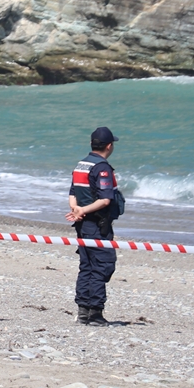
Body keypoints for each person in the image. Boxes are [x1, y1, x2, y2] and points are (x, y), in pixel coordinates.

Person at [65, 126, 125, 326]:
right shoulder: (102, 167)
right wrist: (81, 211)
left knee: (87, 267)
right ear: (109, 146)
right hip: (97, 225)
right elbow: (105, 200)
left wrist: (75, 209)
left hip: (82, 225)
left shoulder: (81, 165)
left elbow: (73, 192)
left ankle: (83, 311)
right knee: (102, 266)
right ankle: (95, 314)